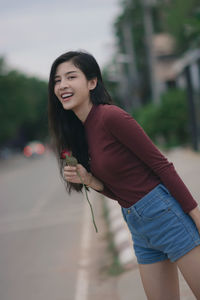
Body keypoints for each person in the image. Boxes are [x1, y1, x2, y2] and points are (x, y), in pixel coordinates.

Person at [48, 50, 200, 299]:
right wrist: (88, 180)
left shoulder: (111, 117)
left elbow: (161, 165)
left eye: (70, 77)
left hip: (164, 214)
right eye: (57, 80)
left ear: (92, 82)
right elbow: (120, 191)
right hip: (137, 223)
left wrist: (195, 214)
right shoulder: (82, 133)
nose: (62, 84)